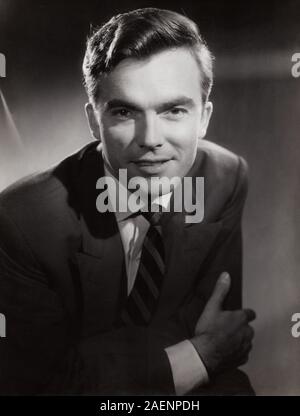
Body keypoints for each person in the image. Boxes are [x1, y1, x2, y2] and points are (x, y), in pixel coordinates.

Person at [0, 8, 256, 395]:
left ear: (203, 118)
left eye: (174, 110)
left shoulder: (226, 176)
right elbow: (41, 382)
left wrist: (107, 359)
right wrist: (197, 355)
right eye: (124, 111)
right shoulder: (22, 221)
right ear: (93, 120)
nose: (150, 138)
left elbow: (218, 320)